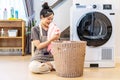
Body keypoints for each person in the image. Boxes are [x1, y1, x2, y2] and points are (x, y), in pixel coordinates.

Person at [29, 2, 60, 74]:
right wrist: (51, 39)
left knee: (65, 63)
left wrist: (57, 38)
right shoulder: (35, 29)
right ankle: (50, 66)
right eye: (48, 19)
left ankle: (47, 66)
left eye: (52, 19)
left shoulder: (53, 29)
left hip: (52, 57)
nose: (50, 21)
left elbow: (57, 47)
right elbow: (39, 46)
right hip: (39, 57)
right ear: (41, 17)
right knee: (33, 67)